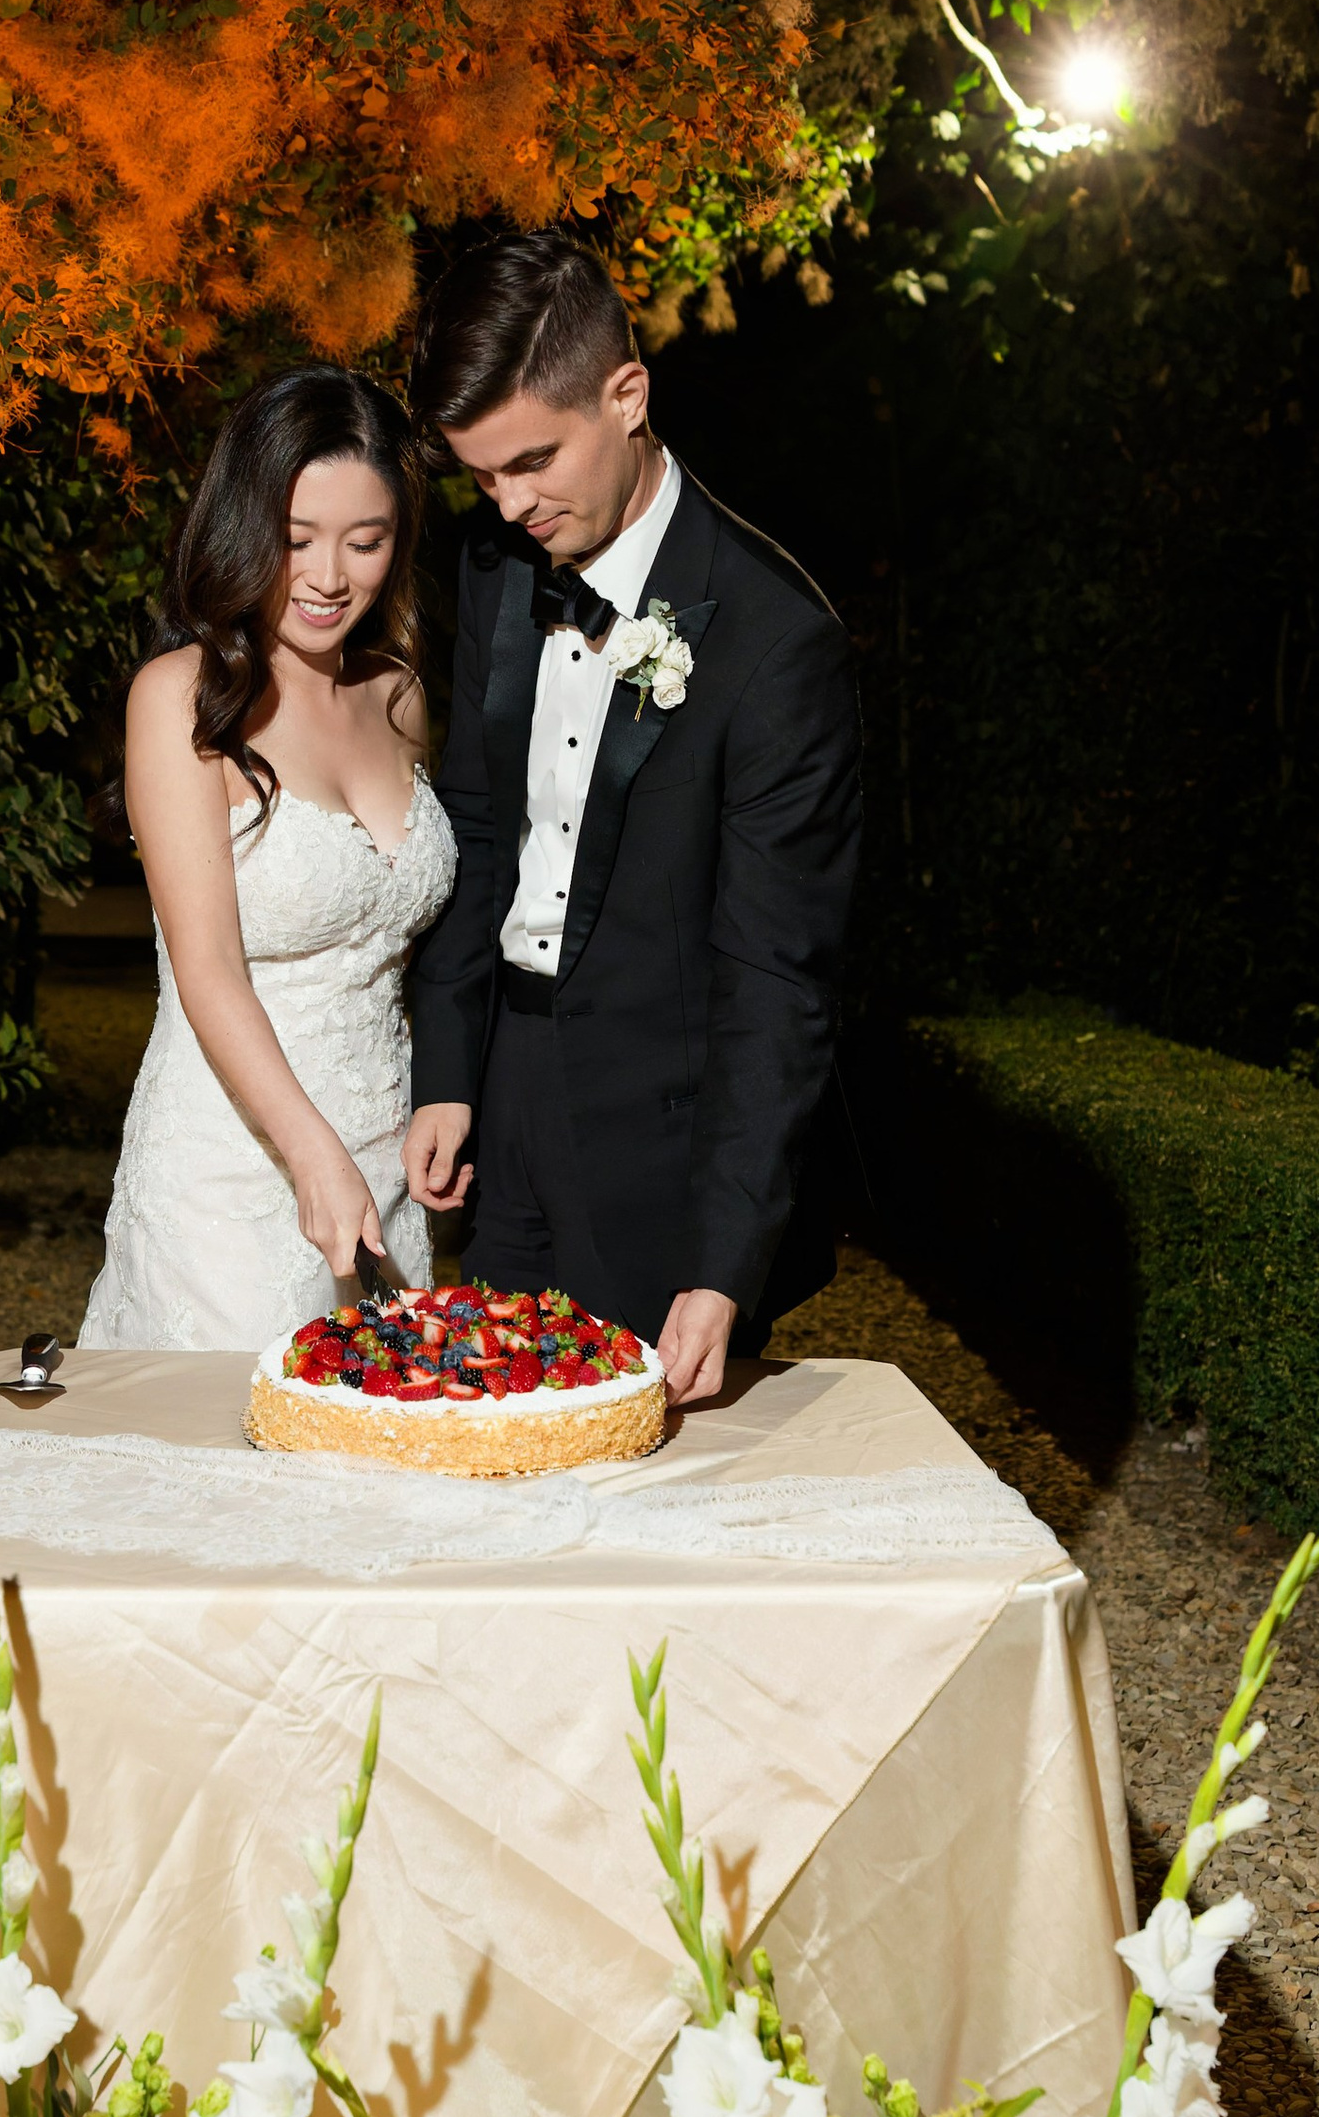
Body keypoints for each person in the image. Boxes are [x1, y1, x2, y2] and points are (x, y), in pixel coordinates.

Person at [404, 232, 860, 1404]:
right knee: (476, 1446)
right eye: (480, 477)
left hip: (661, 1146)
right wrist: (449, 1069)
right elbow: (478, 821)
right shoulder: (501, 564)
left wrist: (723, 1263)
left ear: (628, 393)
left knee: (635, 1518)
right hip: (504, 1090)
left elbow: (776, 976)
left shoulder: (775, 641)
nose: (507, 507)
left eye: (532, 462)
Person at [74, 367, 458, 1352]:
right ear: (245, 532)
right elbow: (205, 970)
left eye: (364, 542)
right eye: (296, 541)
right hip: (233, 1173)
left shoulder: (398, 693)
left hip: (384, 1152)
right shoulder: (178, 698)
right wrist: (310, 1152)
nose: (330, 576)